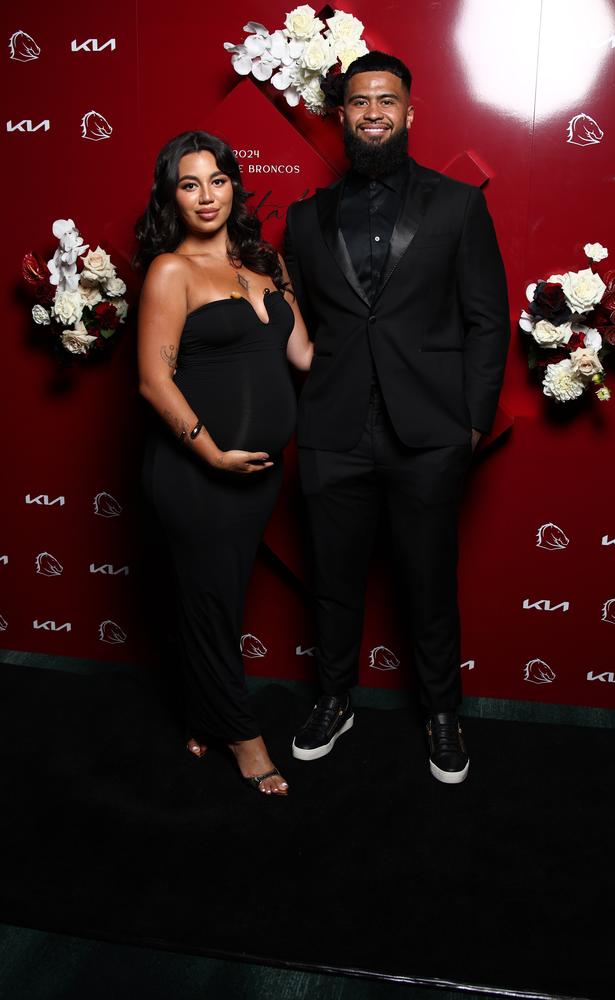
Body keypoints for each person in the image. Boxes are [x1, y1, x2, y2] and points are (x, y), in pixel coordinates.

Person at [284, 52, 510, 783]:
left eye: (387, 100)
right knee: (332, 582)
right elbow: (291, 325)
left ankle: (443, 713)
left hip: (429, 436)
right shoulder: (303, 219)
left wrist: (469, 425)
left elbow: (488, 321)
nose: (373, 111)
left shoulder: (458, 206)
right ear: (340, 115)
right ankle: (334, 699)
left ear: (410, 113)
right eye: (359, 101)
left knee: (429, 582)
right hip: (334, 431)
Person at [136, 131, 312, 796]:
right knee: (209, 601)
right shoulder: (170, 271)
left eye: (216, 180)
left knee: (217, 599)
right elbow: (155, 381)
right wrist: (212, 451)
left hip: (256, 478)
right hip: (195, 471)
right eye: (189, 184)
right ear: (170, 196)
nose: (206, 196)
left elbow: (304, 358)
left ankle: (204, 715)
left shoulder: (265, 267)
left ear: (234, 185)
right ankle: (245, 738)